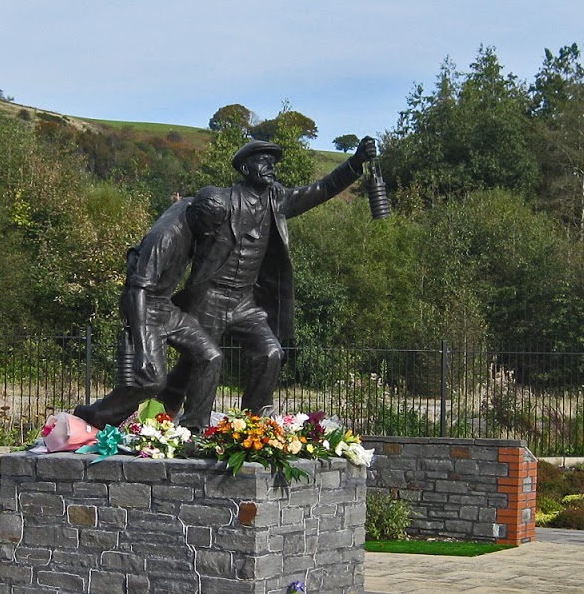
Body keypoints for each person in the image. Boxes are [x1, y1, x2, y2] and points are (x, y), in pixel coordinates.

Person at [164, 135, 376, 422]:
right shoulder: (222, 201)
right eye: (263, 161)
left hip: (244, 301)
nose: (270, 167)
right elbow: (183, 233)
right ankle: (192, 426)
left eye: (273, 162)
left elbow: (321, 188)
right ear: (246, 168)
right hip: (211, 296)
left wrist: (354, 162)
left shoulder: (278, 201)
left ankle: (254, 427)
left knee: (271, 353)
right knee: (201, 361)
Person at [72, 194, 225, 431]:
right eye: (210, 226)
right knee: (151, 380)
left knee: (210, 356)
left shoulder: (191, 206)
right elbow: (137, 291)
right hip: (144, 306)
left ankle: (194, 427)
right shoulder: (165, 238)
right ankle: (97, 414)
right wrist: (142, 350)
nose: (212, 233)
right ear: (197, 216)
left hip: (164, 305)